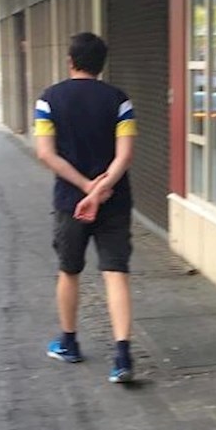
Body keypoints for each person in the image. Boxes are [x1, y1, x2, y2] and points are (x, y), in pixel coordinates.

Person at [34, 32, 138, 383]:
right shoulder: (119, 100)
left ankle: (69, 342)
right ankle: (122, 356)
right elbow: (125, 156)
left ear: (70, 61)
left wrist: (85, 188)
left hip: (70, 202)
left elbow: (45, 153)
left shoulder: (49, 99)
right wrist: (101, 189)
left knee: (69, 270)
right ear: (101, 64)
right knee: (115, 272)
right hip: (115, 200)